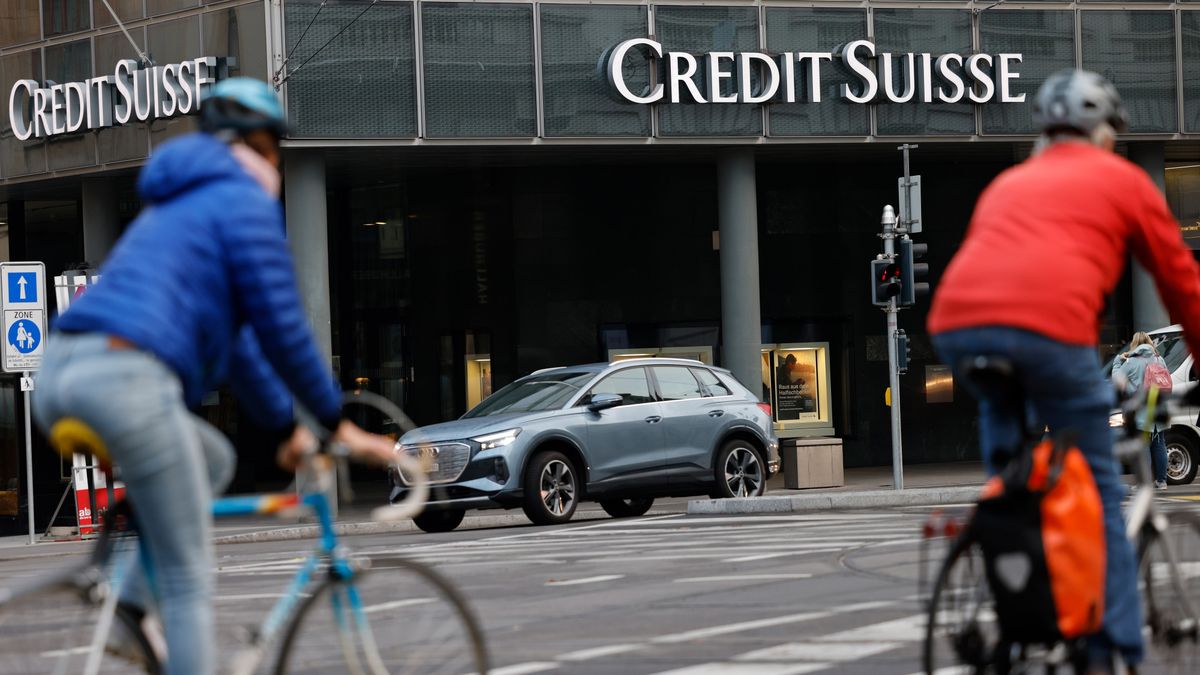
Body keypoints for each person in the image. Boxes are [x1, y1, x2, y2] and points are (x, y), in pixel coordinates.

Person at [33, 78, 396, 675]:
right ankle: (137, 609)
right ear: (258, 145)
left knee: (211, 458)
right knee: (188, 577)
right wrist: (337, 423)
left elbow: (239, 347)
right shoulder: (240, 202)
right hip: (126, 381)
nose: (277, 165)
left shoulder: (173, 205)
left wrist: (284, 428)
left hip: (60, 373)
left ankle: (129, 607)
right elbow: (282, 327)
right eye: (275, 150)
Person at [928, 69, 1200, 673]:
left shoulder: (1008, 183)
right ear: (1101, 131)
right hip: (1048, 332)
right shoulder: (1122, 179)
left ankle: (1018, 623)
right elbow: (1182, 283)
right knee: (1102, 494)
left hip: (958, 328)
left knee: (1015, 483)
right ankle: (1111, 653)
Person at [1112, 332, 1170, 490]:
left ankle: (1144, 483)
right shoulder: (1159, 359)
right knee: (1159, 445)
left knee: (1143, 447)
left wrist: (1118, 360)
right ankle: (1161, 481)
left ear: (1134, 344)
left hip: (1141, 411)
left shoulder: (1132, 362)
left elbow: (1117, 380)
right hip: (1158, 408)